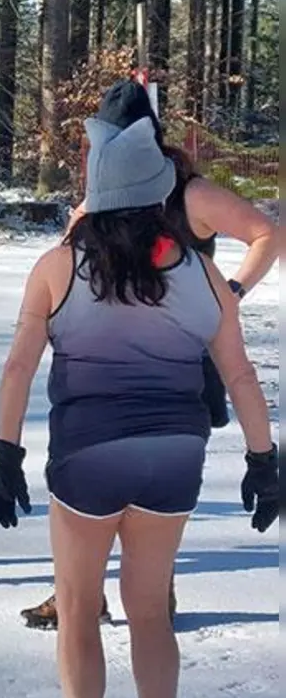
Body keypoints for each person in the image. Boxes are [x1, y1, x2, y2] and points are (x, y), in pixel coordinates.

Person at [0, 114, 278, 698]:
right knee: (148, 609)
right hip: (175, 453)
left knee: (80, 606)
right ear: (158, 193)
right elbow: (239, 376)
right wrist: (263, 460)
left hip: (88, 454)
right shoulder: (203, 275)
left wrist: (6, 456)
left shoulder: (57, 266)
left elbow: (18, 369)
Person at [19, 78, 282, 630]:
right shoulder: (102, 194)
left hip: (179, 361)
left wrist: (229, 293)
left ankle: (154, 595)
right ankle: (79, 592)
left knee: (152, 482)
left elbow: (266, 234)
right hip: (100, 368)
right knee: (82, 477)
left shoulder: (191, 194)